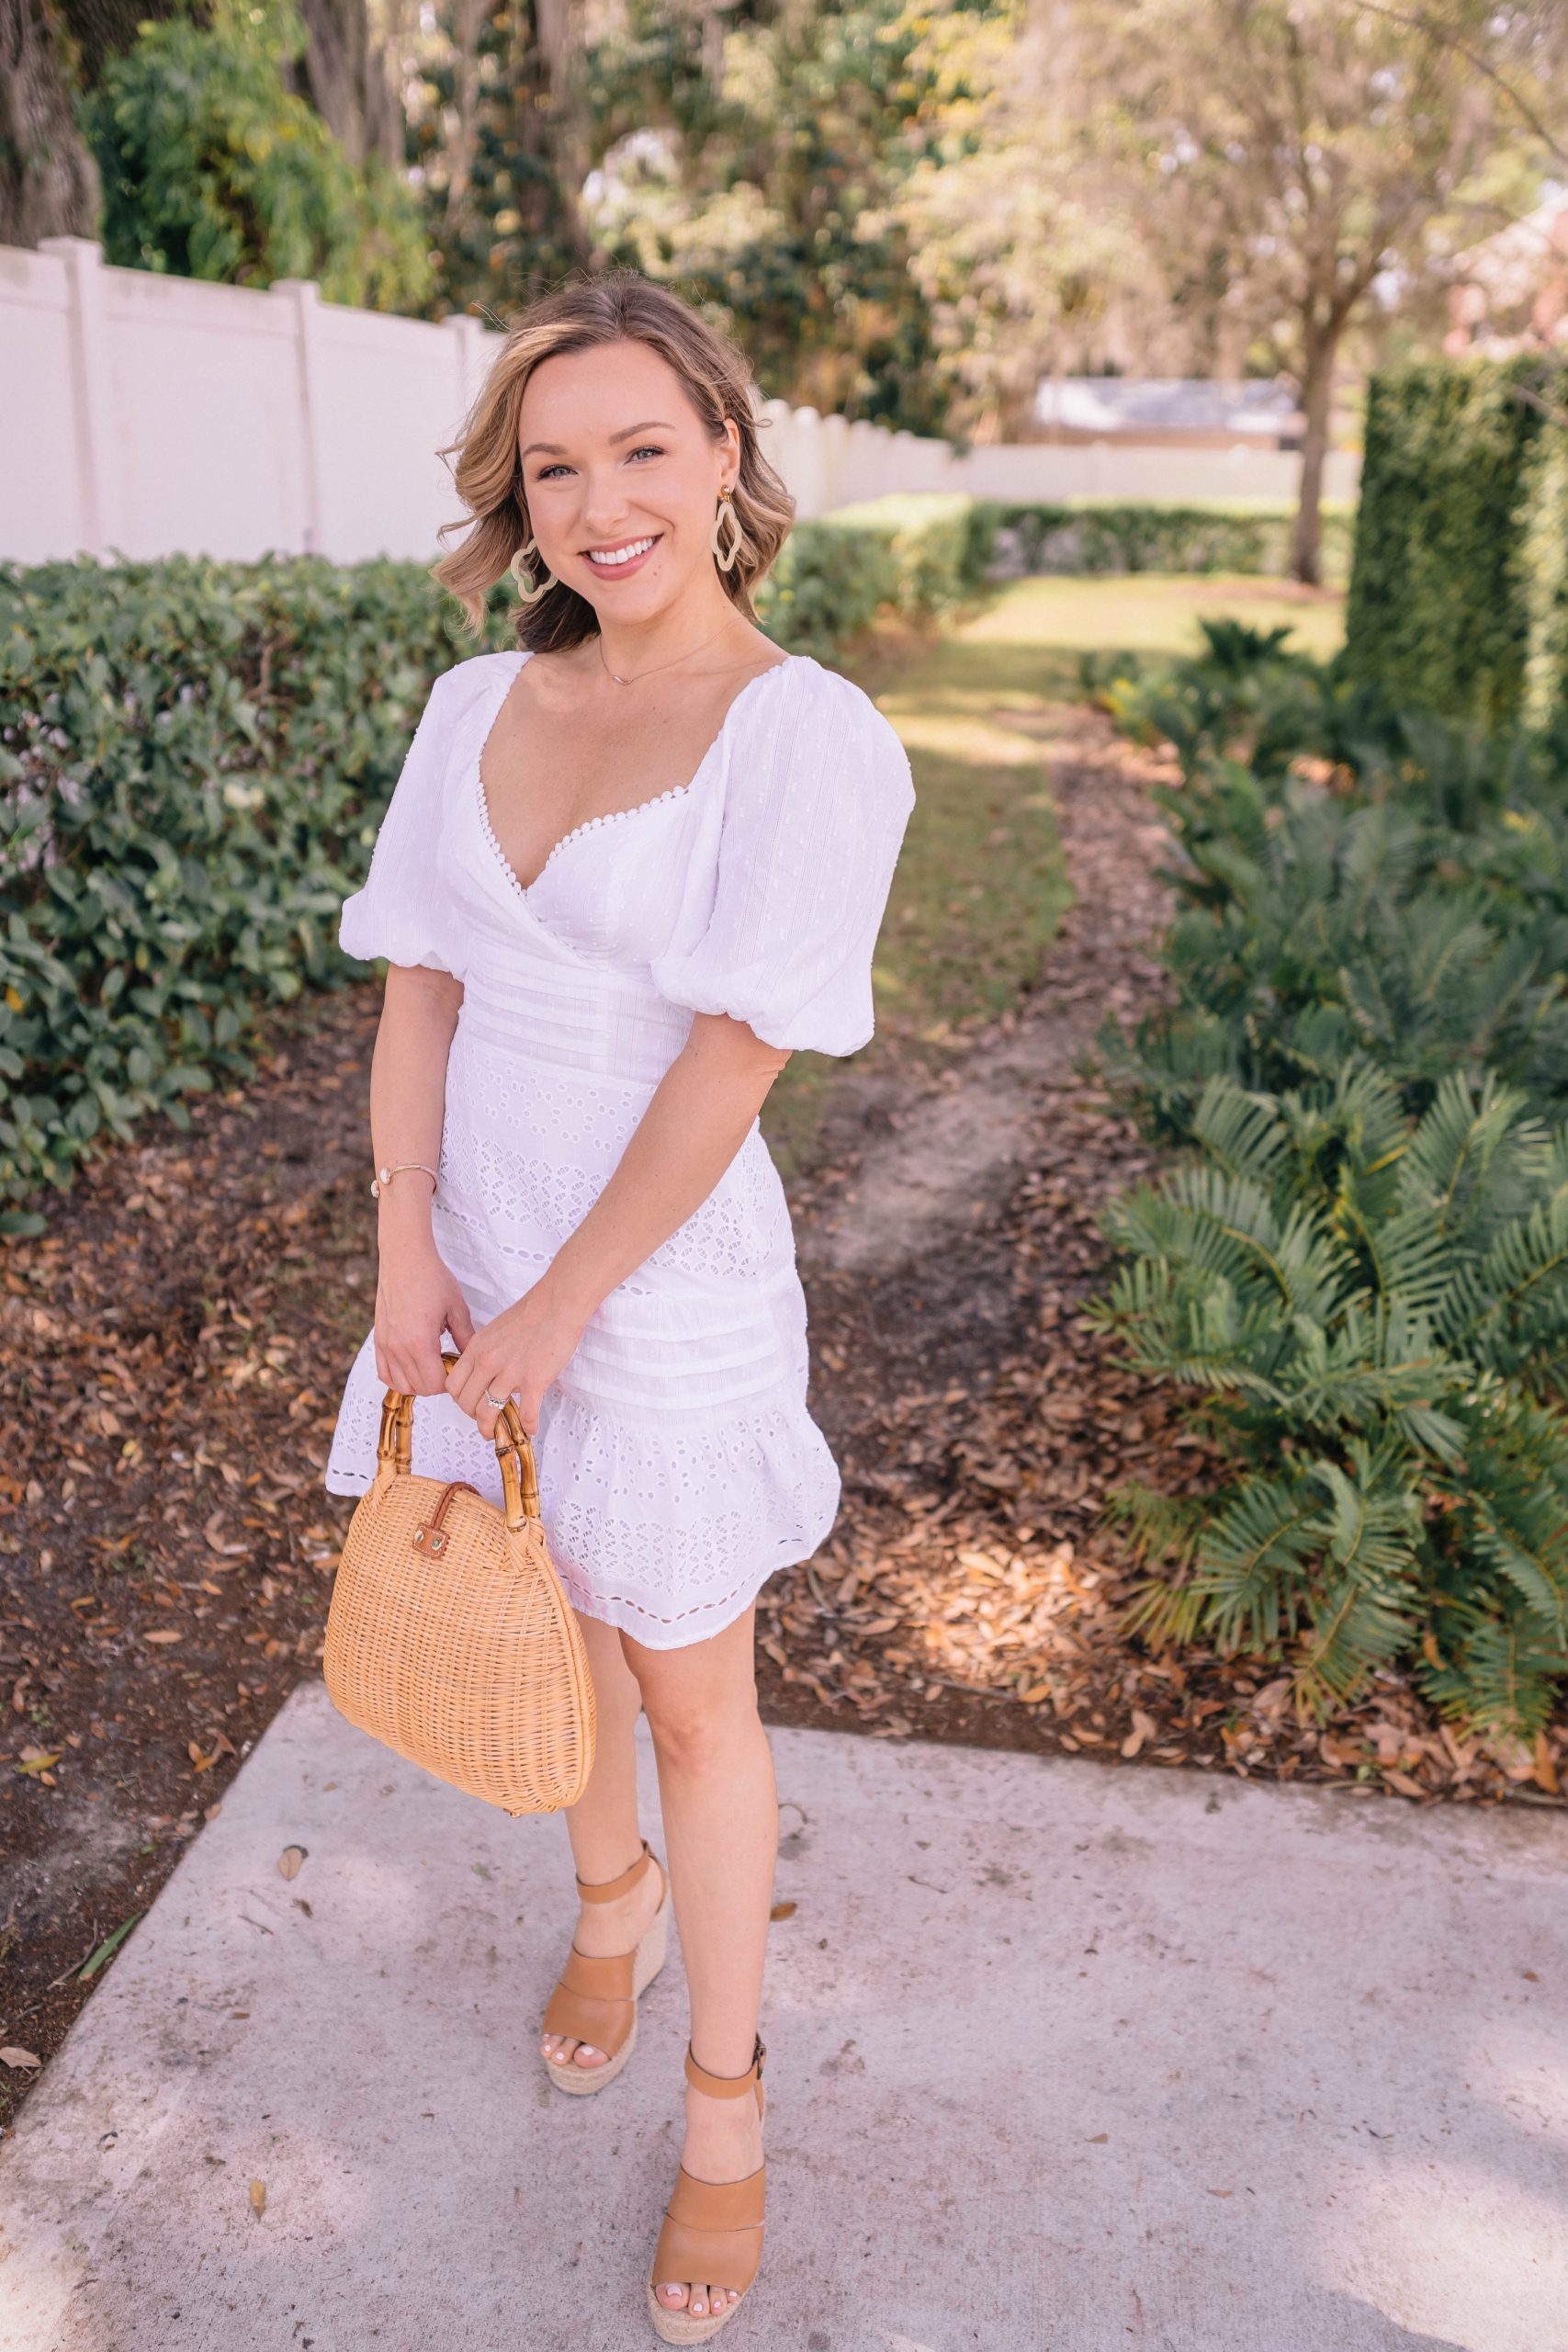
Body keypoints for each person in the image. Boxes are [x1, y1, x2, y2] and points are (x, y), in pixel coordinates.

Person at [322, 270, 915, 2341]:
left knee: (682, 1687)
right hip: (469, 1238)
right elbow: (420, 982)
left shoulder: (806, 734)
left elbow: (731, 1064)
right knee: (543, 1622)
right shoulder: (476, 702)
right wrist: (409, 1247)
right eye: (553, 465)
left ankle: (728, 2104)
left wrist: (559, 1306)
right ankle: (608, 1908)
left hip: (648, 1282)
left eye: (640, 451)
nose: (597, 503)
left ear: (726, 455)